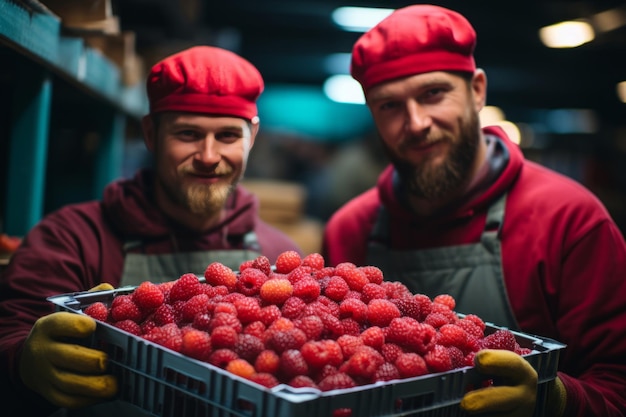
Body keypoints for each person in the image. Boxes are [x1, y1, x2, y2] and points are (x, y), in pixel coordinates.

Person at [322, 4, 626, 417]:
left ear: (477, 90)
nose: (416, 123)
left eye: (433, 93)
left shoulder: (569, 220)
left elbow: (619, 380)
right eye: (389, 105)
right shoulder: (350, 229)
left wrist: (553, 400)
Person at [0, 45, 301, 416]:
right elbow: (11, 332)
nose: (208, 156)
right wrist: (21, 362)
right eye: (188, 134)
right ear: (150, 133)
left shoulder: (279, 255)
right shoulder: (71, 237)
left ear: (251, 138)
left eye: (226, 136)